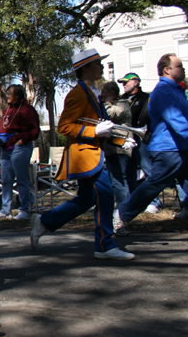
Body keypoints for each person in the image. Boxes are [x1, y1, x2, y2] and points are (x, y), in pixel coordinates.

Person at [30, 48, 135, 260]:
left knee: (87, 199)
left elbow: (102, 127)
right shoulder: (77, 94)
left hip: (92, 154)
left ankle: (45, 221)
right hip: (84, 156)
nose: (101, 67)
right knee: (105, 196)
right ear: (85, 68)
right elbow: (65, 127)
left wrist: (121, 139)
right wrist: (94, 131)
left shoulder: (93, 94)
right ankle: (104, 245)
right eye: (97, 63)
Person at [115, 55, 188, 233]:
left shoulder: (176, 90)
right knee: (154, 183)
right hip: (168, 148)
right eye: (179, 66)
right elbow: (176, 121)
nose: (183, 69)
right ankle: (122, 214)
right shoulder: (163, 91)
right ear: (167, 70)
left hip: (181, 145)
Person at [0, 85, 40, 221]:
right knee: (6, 179)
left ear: (18, 95)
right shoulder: (7, 110)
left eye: (9, 94)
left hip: (20, 146)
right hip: (6, 148)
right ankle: (5, 210)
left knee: (22, 179)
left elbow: (35, 131)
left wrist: (21, 140)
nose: (7, 96)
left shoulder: (27, 110)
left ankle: (24, 209)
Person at [118, 73, 150, 197]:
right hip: (126, 140)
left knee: (148, 169)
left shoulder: (145, 98)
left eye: (127, 82)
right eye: (123, 83)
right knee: (128, 172)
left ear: (136, 82)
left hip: (141, 140)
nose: (124, 85)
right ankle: (133, 198)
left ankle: (153, 201)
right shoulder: (121, 99)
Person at [101, 82, 133, 205]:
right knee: (116, 179)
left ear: (112, 93)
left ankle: (122, 210)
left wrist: (107, 103)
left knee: (119, 180)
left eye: (104, 92)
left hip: (120, 148)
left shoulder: (123, 104)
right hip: (111, 148)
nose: (102, 95)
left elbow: (109, 114)